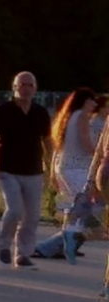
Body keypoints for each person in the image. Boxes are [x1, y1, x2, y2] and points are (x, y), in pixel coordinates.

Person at [0, 72, 53, 269]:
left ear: (35, 88)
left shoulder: (40, 112)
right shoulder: (3, 110)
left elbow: (48, 142)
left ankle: (22, 254)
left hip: (34, 171)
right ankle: (4, 245)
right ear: (14, 87)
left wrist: (51, 166)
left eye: (30, 85)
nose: (26, 88)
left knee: (31, 216)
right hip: (7, 170)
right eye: (21, 84)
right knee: (14, 210)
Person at [49, 88, 98, 262]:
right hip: (77, 168)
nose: (94, 104)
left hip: (63, 166)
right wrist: (100, 154)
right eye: (92, 100)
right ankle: (68, 242)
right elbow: (86, 142)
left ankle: (59, 246)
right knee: (83, 207)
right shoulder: (83, 116)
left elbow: (58, 146)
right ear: (85, 101)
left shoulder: (67, 117)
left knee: (72, 207)